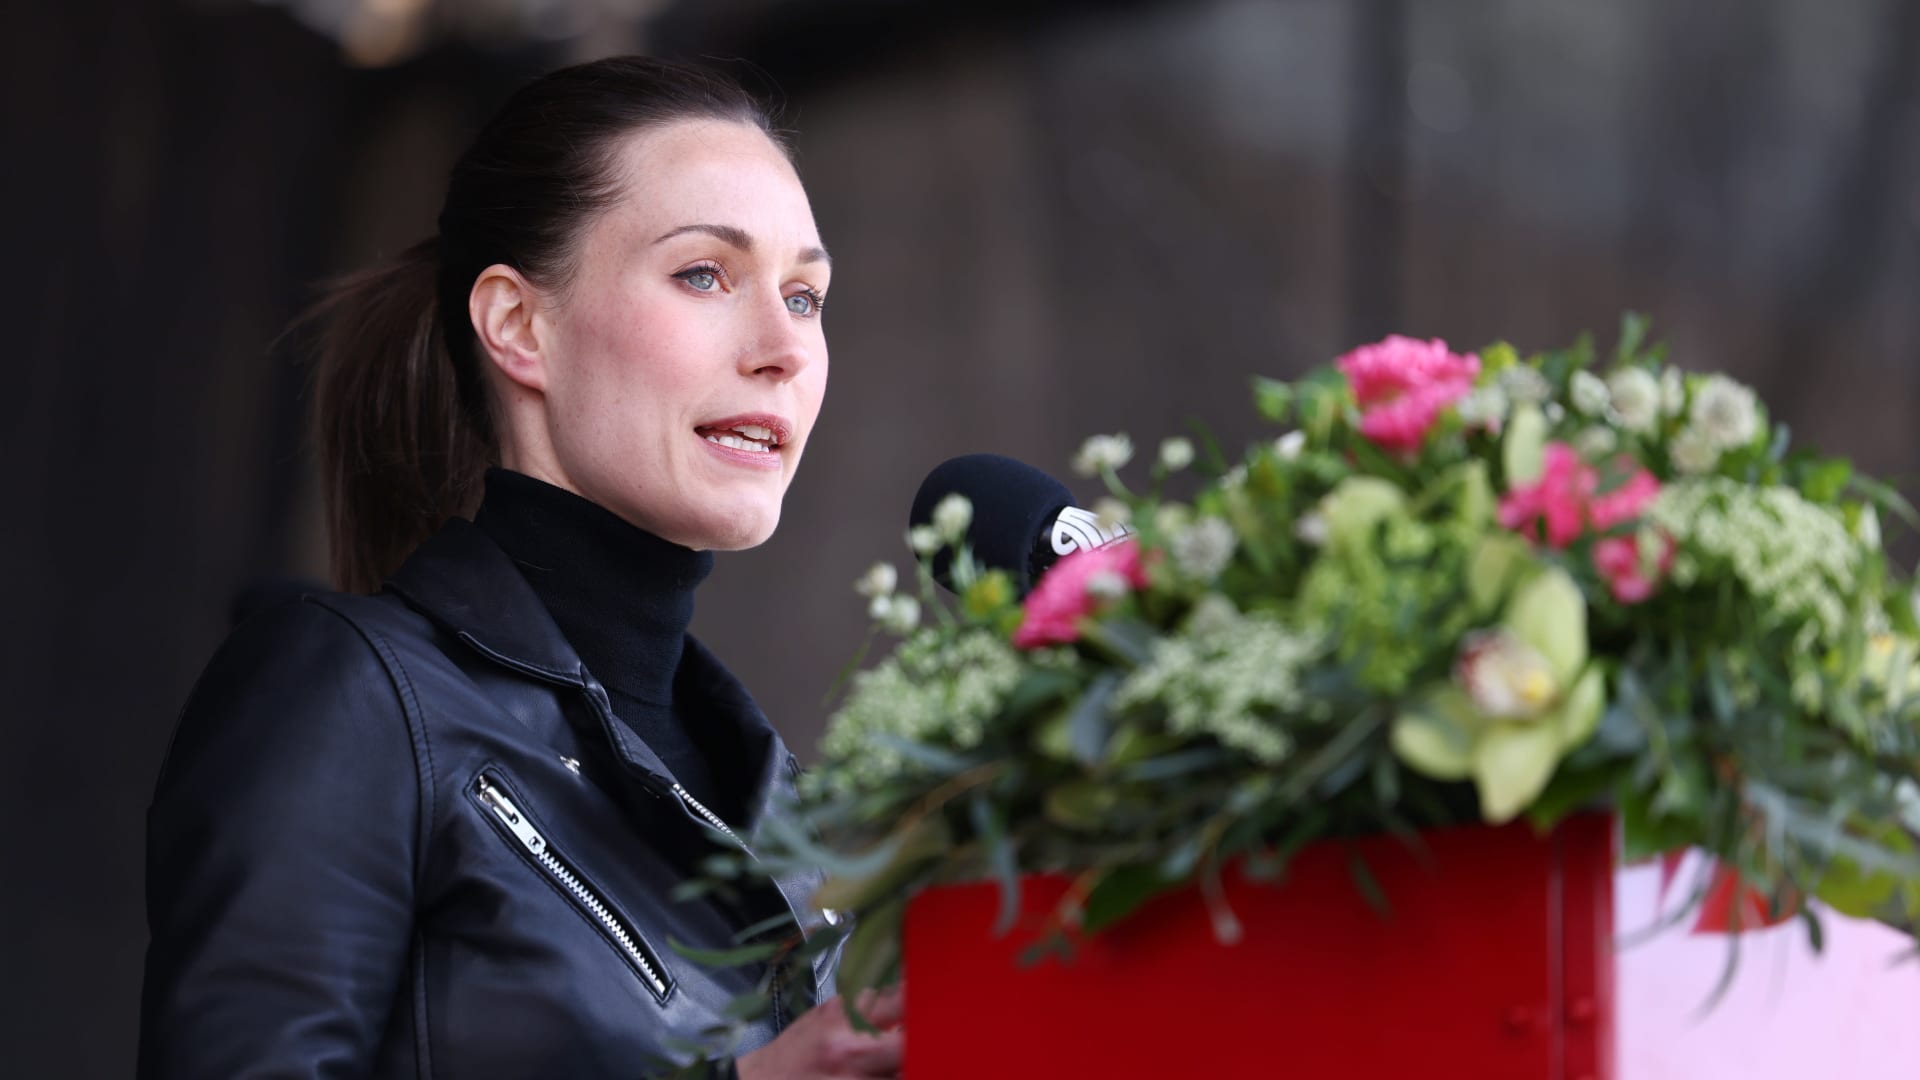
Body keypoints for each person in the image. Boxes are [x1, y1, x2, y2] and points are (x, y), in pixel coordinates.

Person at [137, 56, 904, 1079]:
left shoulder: (794, 823)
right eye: (704, 275)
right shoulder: (357, 696)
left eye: (805, 296)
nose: (785, 348)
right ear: (517, 326)